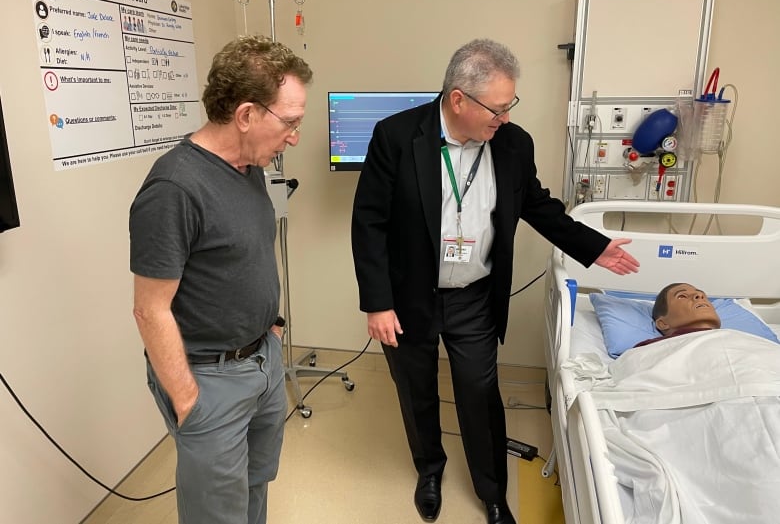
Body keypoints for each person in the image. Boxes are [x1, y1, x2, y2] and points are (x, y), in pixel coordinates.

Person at [350, 38, 639, 524]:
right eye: (497, 109)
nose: (504, 118)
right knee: (415, 388)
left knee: (479, 394)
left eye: (510, 107)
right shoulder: (396, 136)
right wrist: (377, 304)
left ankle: (492, 491)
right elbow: (369, 223)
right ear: (458, 99)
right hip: (408, 296)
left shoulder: (512, 143)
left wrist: (593, 245)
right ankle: (430, 470)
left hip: (474, 296)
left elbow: (536, 204)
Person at [129, 36, 312, 524]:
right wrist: (190, 401)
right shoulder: (174, 187)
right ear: (247, 114)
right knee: (217, 513)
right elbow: (150, 309)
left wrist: (270, 329)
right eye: (290, 121)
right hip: (209, 378)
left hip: (262, 359)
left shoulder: (250, 167)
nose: (295, 135)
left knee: (254, 487)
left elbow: (244, 257)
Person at [636, 282, 721, 347]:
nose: (699, 295)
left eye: (703, 296)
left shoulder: (733, 336)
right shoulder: (646, 350)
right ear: (663, 323)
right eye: (682, 296)